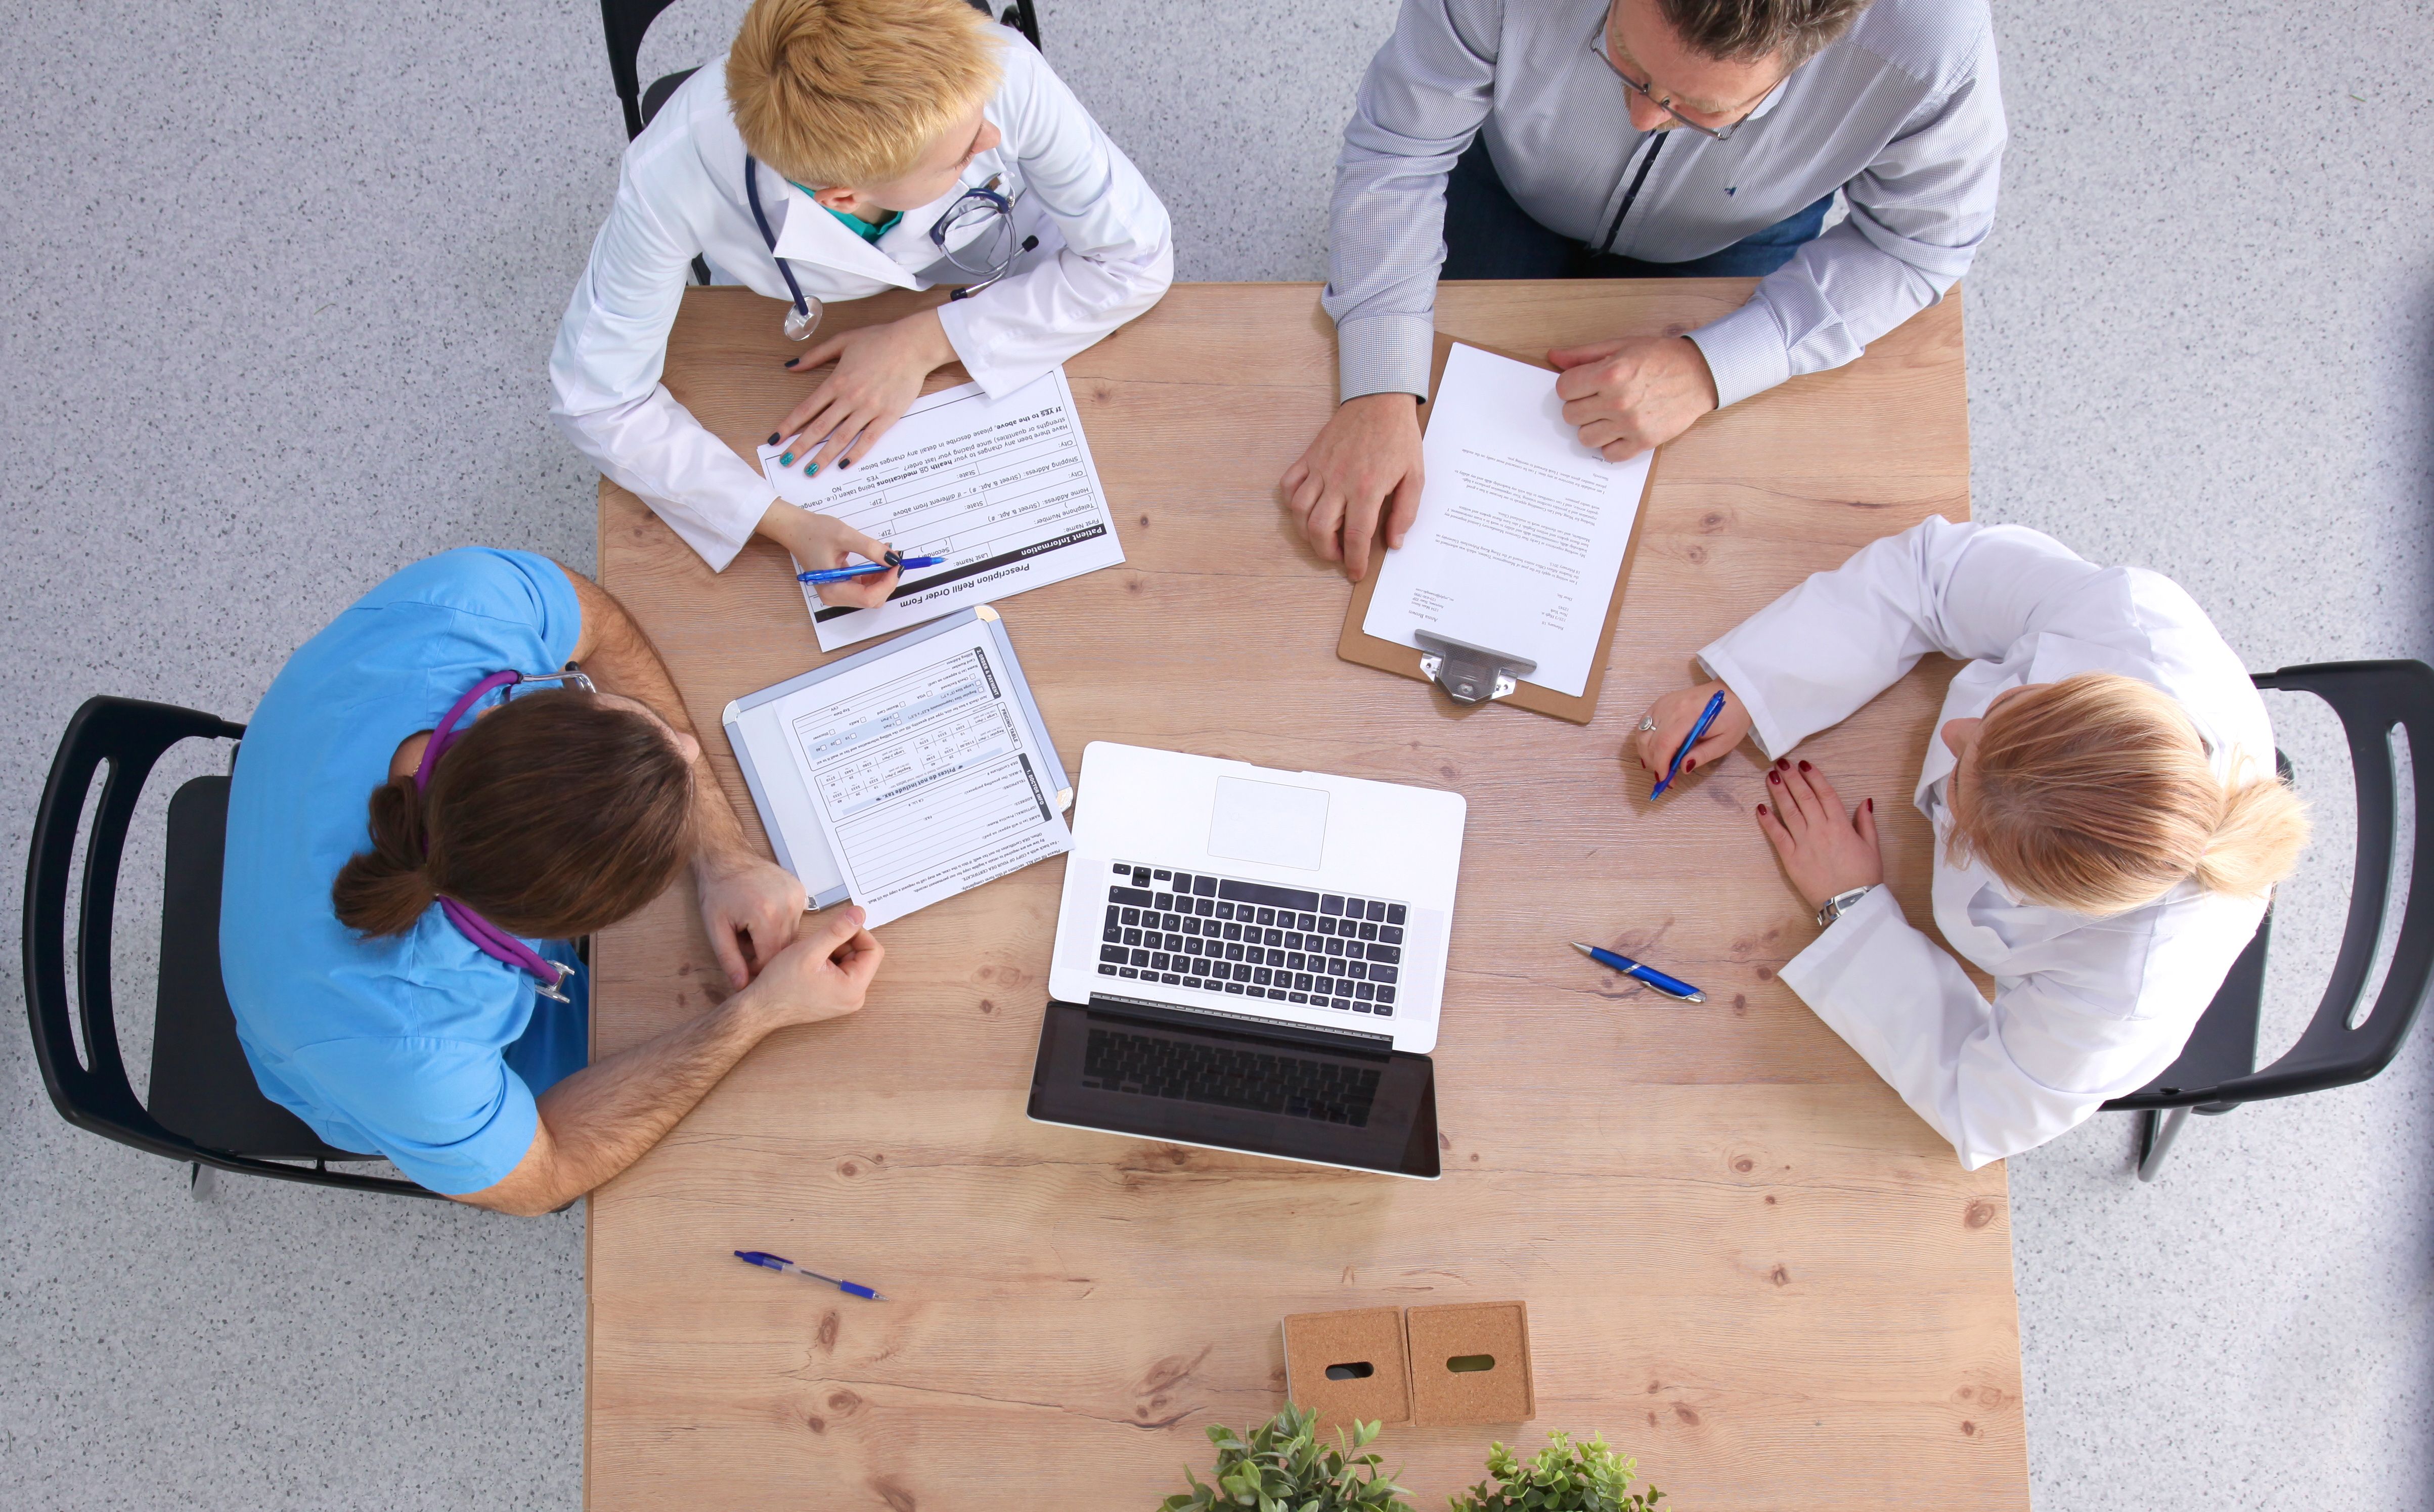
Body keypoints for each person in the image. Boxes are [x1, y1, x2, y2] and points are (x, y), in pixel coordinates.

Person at [1627, 518, 2309, 1169]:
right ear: (2089, 689)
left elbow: (1984, 1106)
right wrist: (1755, 685)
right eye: (2006, 708)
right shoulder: (2132, 625)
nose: (1954, 734)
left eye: (1959, 786)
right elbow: (1933, 577)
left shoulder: (2129, 992)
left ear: (2026, 885)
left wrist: (1852, 908)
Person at [220, 549, 884, 1213]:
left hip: (278, 844)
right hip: (330, 1056)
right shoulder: (414, 1045)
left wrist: (722, 851)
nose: (686, 745)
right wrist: (755, 1013)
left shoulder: (463, 608)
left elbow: (601, 626)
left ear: (507, 717)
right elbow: (546, 1171)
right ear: (549, 930)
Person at [1284, 0, 2005, 578]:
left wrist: (1712, 366)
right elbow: (1399, 151)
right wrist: (1377, 388)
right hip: (1503, 182)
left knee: (1683, 526)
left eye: (1702, 110)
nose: (1642, 117)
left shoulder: (1931, 44)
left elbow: (1918, 246)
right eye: (1622, 59)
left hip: (1734, 234)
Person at [551, 0, 1173, 581]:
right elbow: (597, 400)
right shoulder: (671, 174)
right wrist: (783, 522)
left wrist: (924, 340)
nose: (992, 141)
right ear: (843, 199)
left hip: (1012, 270)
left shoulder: (995, 65)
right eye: (961, 157)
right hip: (784, 325)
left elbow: (1136, 257)